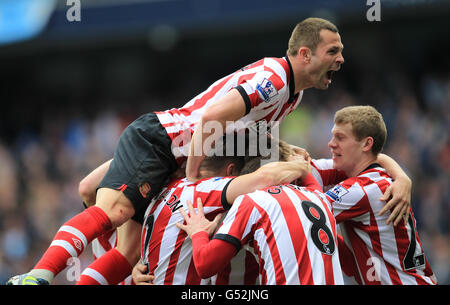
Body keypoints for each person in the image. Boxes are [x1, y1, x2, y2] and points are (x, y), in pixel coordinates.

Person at [7, 18, 409, 285]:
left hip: (172, 150)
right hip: (163, 142)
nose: (340, 59)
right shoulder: (273, 79)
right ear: (305, 54)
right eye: (332, 52)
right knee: (109, 205)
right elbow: (209, 120)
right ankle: (39, 275)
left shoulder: (292, 97)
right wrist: (194, 181)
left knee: (126, 246)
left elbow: (260, 143)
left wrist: (400, 174)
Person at [310, 105, 437, 284]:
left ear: (366, 144)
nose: (331, 143)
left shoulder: (363, 190)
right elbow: (309, 168)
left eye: (340, 138)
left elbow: (306, 211)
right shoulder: (377, 178)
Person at [175, 166, 344, 284]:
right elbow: (304, 169)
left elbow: (205, 265)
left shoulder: (253, 201)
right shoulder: (318, 196)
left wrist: (198, 232)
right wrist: (298, 163)